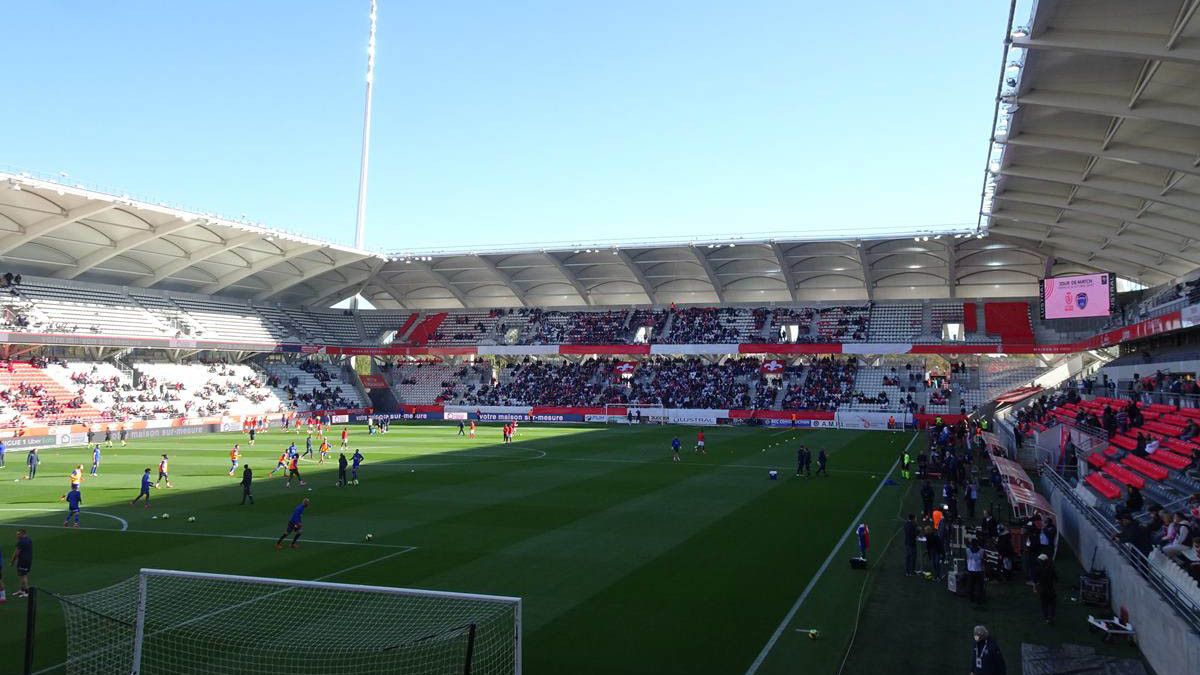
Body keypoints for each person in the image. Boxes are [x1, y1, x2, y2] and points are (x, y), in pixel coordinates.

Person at [1034, 553, 1058, 624]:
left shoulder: (1038, 569)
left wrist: (1035, 587)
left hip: (1043, 590)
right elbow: (1056, 578)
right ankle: (1052, 617)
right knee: (1052, 604)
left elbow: (1035, 580)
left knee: (1044, 604)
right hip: (1051, 589)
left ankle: (1047, 618)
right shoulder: (1051, 568)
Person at [10, 530, 32, 599]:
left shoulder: (21, 542)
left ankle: (27, 592)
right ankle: (22, 590)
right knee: (22, 575)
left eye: (18, 534)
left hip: (23, 561)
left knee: (23, 576)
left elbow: (16, 553)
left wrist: (12, 562)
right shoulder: (29, 539)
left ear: (23, 534)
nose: (17, 536)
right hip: (28, 560)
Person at [966, 539, 986, 605]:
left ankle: (972, 598)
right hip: (979, 571)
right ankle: (978, 599)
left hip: (972, 571)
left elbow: (965, 559)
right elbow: (985, 560)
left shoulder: (968, 550)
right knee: (979, 586)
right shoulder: (982, 551)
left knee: (971, 585)